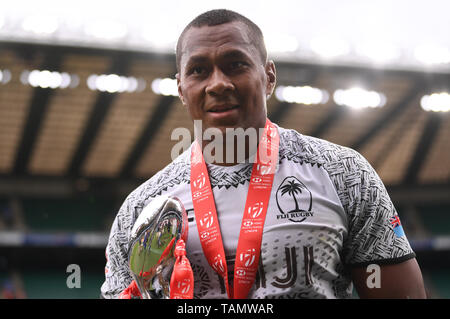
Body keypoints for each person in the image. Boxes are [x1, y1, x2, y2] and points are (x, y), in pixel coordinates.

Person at [101, 9, 426, 299]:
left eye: (235, 65)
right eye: (198, 70)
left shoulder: (344, 174)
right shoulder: (142, 208)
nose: (218, 84)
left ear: (269, 76)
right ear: (181, 89)